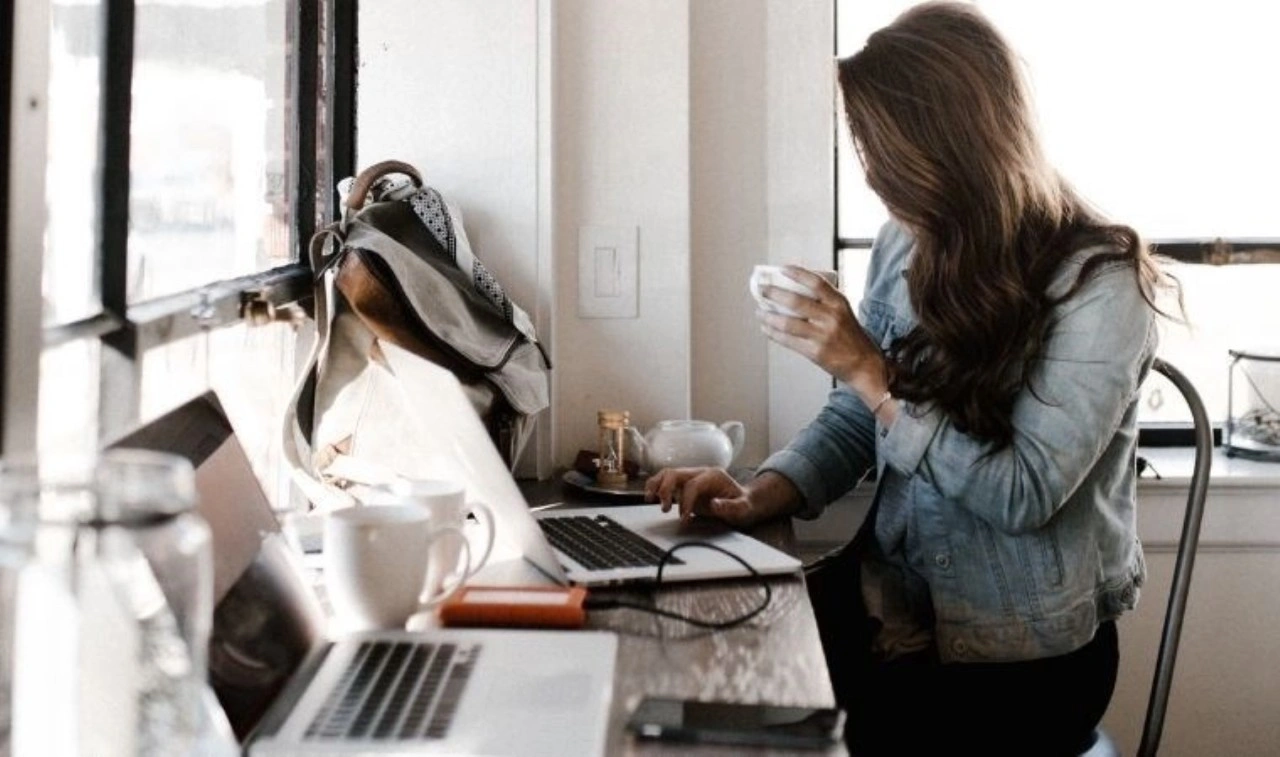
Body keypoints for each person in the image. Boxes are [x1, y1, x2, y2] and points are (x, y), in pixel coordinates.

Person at [644, 2, 1178, 755]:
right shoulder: (907, 242)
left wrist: (868, 369)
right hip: (891, 602)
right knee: (695, 654)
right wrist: (762, 491)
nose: (872, 176)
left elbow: (1021, 493)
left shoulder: (1101, 285)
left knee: (760, 720)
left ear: (951, 146)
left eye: (882, 153)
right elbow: (856, 416)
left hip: (1020, 660)